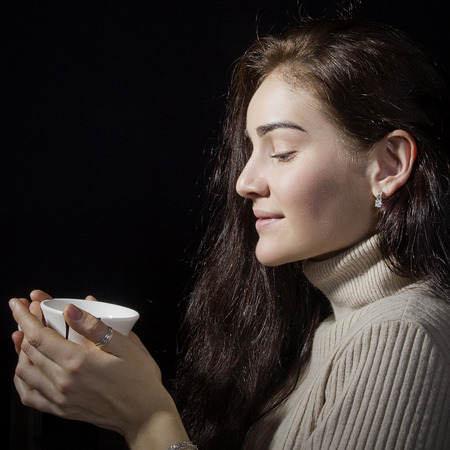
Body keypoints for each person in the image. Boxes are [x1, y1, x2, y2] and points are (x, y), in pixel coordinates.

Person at [9, 14, 450, 450]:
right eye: (250, 149)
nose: (244, 182)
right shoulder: (323, 327)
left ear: (389, 165)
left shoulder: (402, 333)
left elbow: (153, 427)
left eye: (281, 152)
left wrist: (146, 419)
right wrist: (107, 394)